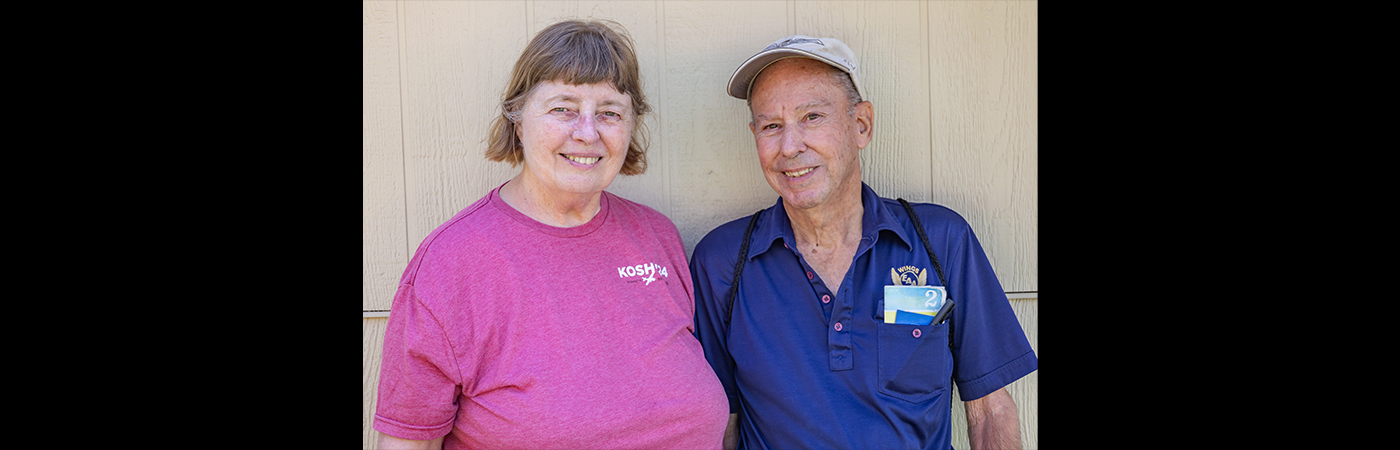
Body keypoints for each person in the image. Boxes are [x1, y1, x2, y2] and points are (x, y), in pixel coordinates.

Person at [374, 20, 729, 450]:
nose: (587, 132)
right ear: (518, 120)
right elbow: (410, 442)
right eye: (563, 108)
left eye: (610, 113)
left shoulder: (655, 235)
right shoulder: (451, 263)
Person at [690, 35, 1038, 450]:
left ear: (861, 125)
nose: (790, 147)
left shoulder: (941, 240)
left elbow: (990, 412)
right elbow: (720, 426)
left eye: (812, 117)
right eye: (771, 126)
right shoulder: (722, 262)